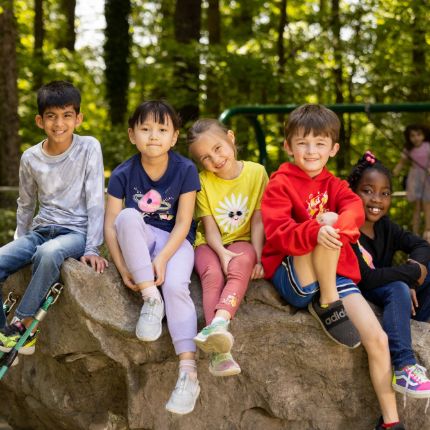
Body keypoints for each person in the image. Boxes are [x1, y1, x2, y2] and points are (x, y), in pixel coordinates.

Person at [261, 104, 403, 430]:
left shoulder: (335, 185)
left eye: (320, 143)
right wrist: (316, 228)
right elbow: (279, 234)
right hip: (298, 277)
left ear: (333, 148)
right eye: (303, 143)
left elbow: (354, 209)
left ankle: (392, 422)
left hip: (334, 274)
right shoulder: (280, 184)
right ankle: (327, 303)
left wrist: (338, 219)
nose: (311, 151)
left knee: (377, 339)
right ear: (288, 146)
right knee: (322, 233)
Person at [104, 100, 200, 415]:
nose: (153, 136)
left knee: (175, 287)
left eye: (162, 130)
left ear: (174, 137)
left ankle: (188, 372)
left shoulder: (185, 169)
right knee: (129, 218)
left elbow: (184, 222)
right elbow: (111, 227)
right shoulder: (122, 173)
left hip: (175, 242)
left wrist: (161, 260)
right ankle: (150, 299)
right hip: (139, 240)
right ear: (132, 135)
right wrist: (123, 269)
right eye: (145, 129)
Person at [0, 80, 107, 356]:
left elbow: (96, 201)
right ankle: (4, 334)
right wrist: (19, 245)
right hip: (39, 231)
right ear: (40, 120)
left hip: (75, 234)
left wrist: (93, 247)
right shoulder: (30, 157)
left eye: (67, 115)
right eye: (51, 116)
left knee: (48, 254)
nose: (59, 123)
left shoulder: (89, 148)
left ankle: (22, 324)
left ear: (78, 118)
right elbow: (26, 204)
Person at [187, 119, 268, 377]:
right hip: (209, 244)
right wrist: (221, 252)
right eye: (206, 158)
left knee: (241, 265)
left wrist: (258, 256)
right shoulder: (202, 182)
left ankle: (219, 322)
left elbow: (258, 220)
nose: (215, 160)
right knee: (212, 274)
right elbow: (209, 228)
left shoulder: (256, 173)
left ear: (231, 138)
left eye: (218, 149)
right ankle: (219, 353)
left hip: (244, 239)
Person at [348, 151, 430, 400]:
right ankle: (404, 365)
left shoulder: (386, 226)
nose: (377, 199)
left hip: (389, 287)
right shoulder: (348, 228)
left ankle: (421, 331)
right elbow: (366, 278)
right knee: (398, 287)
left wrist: (413, 271)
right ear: (353, 192)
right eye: (368, 190)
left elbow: (422, 246)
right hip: (362, 296)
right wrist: (409, 275)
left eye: (385, 193)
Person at [393, 124, 430, 240]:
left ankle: (428, 231)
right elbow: (401, 163)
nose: (416, 138)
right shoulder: (408, 149)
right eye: (412, 135)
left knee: (427, 205)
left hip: (427, 177)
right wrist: (393, 173)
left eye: (419, 135)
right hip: (414, 178)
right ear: (409, 137)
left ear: (423, 135)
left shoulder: (427, 146)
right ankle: (415, 233)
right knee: (417, 206)